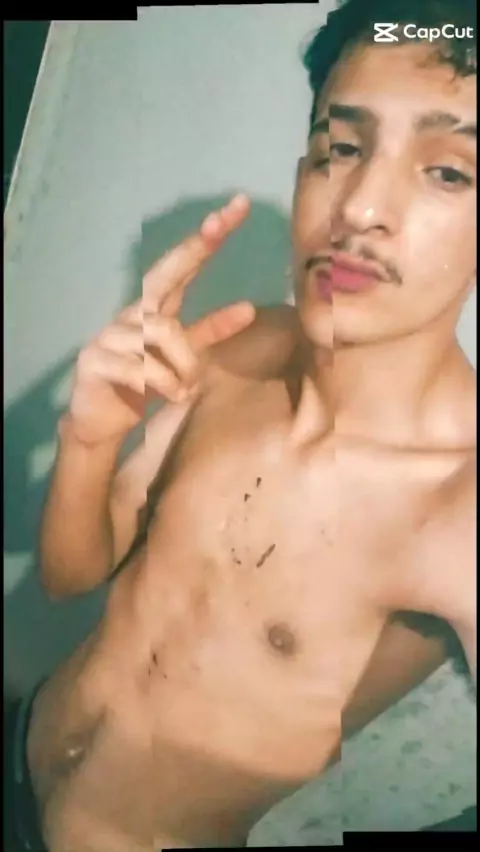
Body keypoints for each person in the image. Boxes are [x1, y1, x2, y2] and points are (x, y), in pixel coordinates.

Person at [10, 1, 476, 849]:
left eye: (447, 171)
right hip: (19, 741)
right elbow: (71, 577)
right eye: (341, 149)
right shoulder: (248, 344)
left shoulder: (458, 505)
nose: (358, 209)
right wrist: (88, 441)